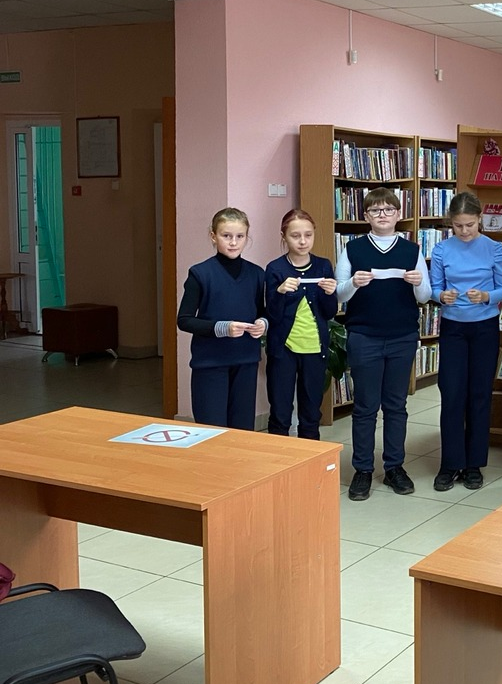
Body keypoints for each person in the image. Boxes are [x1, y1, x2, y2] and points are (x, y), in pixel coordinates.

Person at [336, 188, 431, 501]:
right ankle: (363, 469)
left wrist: (418, 283)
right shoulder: (353, 249)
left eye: (388, 210)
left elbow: (425, 296)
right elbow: (339, 294)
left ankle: (394, 467)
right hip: (364, 336)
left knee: (396, 405)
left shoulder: (411, 250)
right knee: (365, 406)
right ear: (366, 216)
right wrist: (354, 283)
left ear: (398, 214)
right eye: (375, 210)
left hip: (402, 336)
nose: (382, 215)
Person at [430, 191, 502, 492]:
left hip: (484, 327)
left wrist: (487, 296)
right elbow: (434, 288)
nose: (464, 231)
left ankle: (474, 464)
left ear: (480, 220)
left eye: (470, 225)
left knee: (479, 394)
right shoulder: (441, 250)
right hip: (453, 328)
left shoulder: (494, 248)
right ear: (450, 223)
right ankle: (450, 463)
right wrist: (442, 296)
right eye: (458, 226)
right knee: (451, 393)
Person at [177, 207, 267, 430]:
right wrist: (222, 328)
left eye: (240, 236)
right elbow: (184, 319)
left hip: (245, 361)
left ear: (247, 237)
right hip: (211, 363)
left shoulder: (257, 274)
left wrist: (262, 324)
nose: (233, 242)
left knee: (242, 430)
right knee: (212, 429)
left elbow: (262, 312)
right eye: (226, 236)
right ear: (213, 236)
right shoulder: (200, 273)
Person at [265, 208, 338, 440]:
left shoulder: (323, 265)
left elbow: (329, 312)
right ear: (284, 236)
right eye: (295, 236)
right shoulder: (275, 268)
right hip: (283, 349)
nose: (303, 241)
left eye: (308, 235)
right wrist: (280, 292)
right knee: (280, 412)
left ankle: (309, 458)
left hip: (314, 348)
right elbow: (272, 315)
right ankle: (279, 458)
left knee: (311, 413)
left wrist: (330, 293)